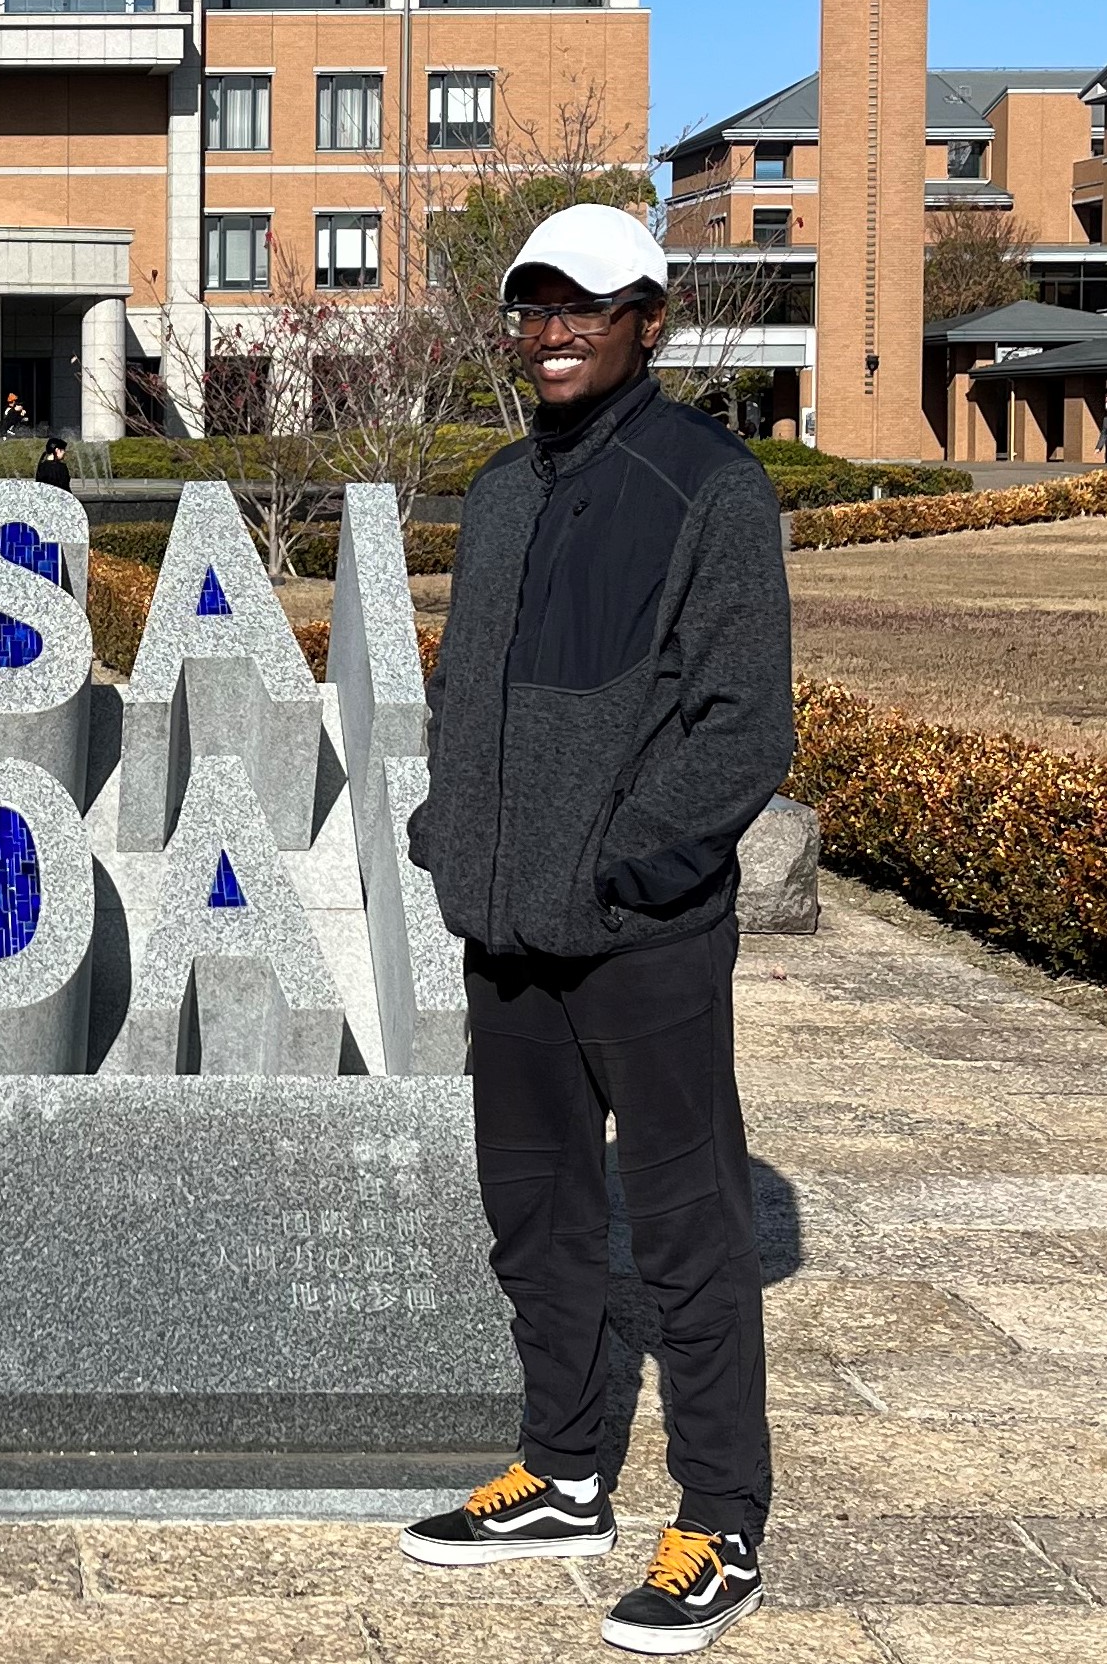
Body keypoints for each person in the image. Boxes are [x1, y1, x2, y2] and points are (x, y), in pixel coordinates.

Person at [398, 203, 791, 1658]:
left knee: (686, 1226)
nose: (554, 329)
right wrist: (457, 838)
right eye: (534, 305)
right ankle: (562, 1471)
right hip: (506, 931)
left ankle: (721, 1519)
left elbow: (745, 725)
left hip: (641, 933)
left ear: (650, 321)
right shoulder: (502, 492)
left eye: (587, 305)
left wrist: (625, 867)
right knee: (538, 1214)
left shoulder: (709, 487)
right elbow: (471, 701)